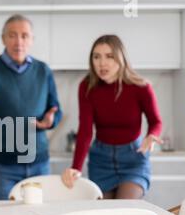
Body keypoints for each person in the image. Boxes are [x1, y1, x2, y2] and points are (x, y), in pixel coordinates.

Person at [61, 35, 163, 199]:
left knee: (124, 211)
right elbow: (86, 131)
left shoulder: (141, 87)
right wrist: (76, 168)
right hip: (101, 161)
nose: (102, 63)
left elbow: (155, 121)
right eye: (97, 57)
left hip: (133, 159)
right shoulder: (87, 87)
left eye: (109, 56)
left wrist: (152, 135)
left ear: (121, 58)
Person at [0, 14, 63, 200]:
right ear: (3, 38)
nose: (18, 41)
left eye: (24, 35)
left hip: (39, 162)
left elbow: (56, 110)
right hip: (2, 166)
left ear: (31, 40)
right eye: (12, 35)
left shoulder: (43, 71)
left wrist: (51, 120)